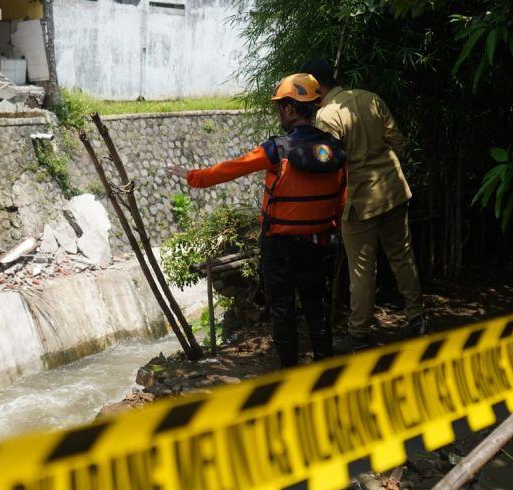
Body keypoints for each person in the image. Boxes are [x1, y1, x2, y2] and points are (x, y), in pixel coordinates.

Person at [168, 74, 347, 367]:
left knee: (282, 307)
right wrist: (335, 230)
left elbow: (233, 168)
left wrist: (193, 176)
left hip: (280, 245)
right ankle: (326, 369)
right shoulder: (333, 149)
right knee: (317, 306)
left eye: (280, 107)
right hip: (319, 242)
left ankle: (289, 371)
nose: (279, 112)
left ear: (290, 109)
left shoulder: (277, 149)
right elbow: (342, 195)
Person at [300, 58, 426, 349]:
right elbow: (398, 141)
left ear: (316, 87)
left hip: (359, 200)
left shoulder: (327, 115)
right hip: (393, 189)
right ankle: (417, 317)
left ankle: (358, 334)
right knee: (402, 256)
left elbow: (327, 161)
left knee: (362, 269)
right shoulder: (371, 98)